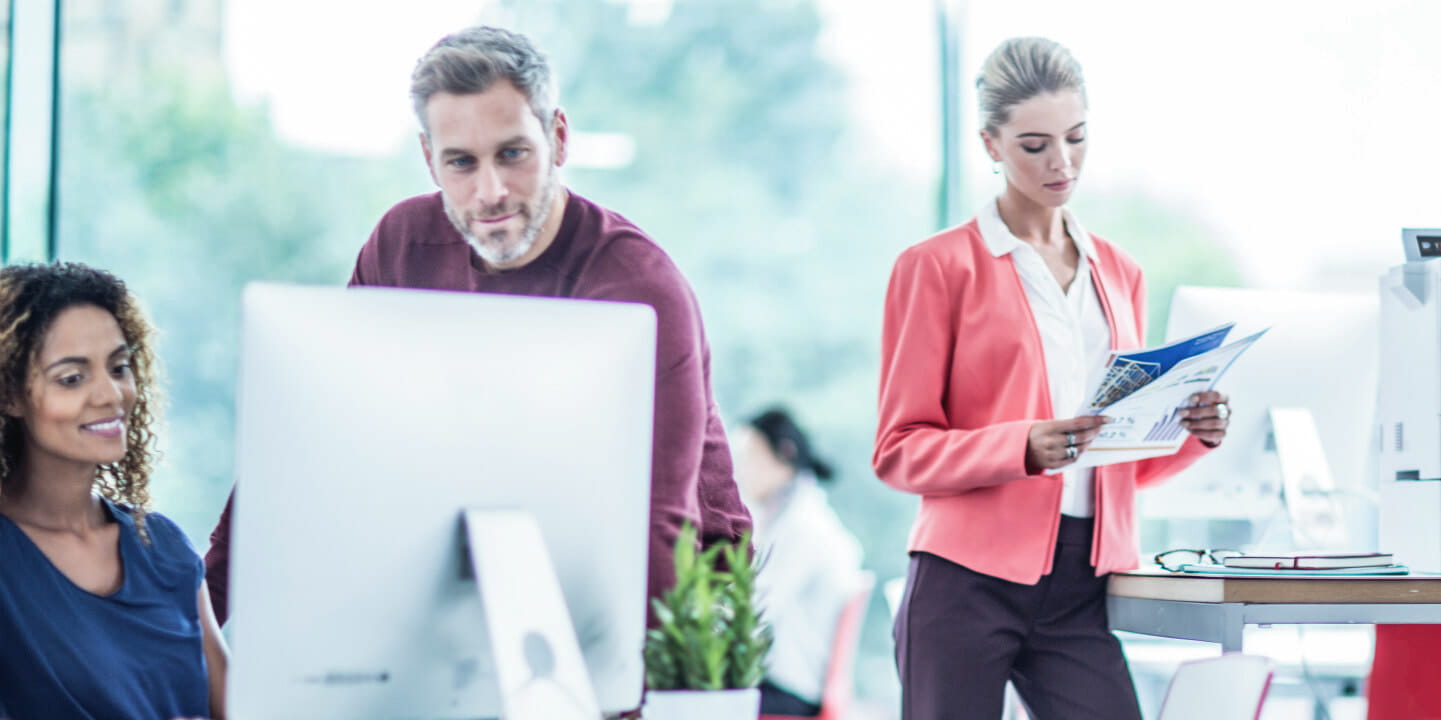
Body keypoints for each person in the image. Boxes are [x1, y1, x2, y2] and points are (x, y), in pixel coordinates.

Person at [201, 26, 751, 622]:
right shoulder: (402, 247)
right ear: (429, 160)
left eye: (512, 154)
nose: (490, 192)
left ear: (558, 139)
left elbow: (658, 523)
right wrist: (196, 627)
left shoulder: (635, 286)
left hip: (681, 602)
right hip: (483, 564)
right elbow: (306, 437)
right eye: (461, 162)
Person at [873, 37, 1231, 720]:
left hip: (1081, 585)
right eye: (1035, 145)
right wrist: (1021, 446)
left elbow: (1115, 455)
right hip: (964, 584)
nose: (1061, 162)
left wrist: (1190, 432)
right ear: (991, 144)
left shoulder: (1120, 273)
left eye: (1076, 137)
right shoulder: (937, 267)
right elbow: (899, 450)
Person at [0, 262, 229, 720]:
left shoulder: (164, 547)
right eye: (72, 378)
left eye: (119, 367)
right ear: (9, 395)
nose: (111, 394)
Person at [733, 407, 864, 717]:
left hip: (788, 691)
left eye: (750, 456)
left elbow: (755, 613)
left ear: (784, 457)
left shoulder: (804, 527)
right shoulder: (787, 517)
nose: (740, 470)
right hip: (779, 686)